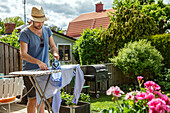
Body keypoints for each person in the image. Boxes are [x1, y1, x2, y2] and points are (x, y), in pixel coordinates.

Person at [18, 6, 59, 113]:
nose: (40, 24)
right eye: (37, 22)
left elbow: (53, 46)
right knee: (33, 99)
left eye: (42, 21)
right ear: (31, 19)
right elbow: (23, 54)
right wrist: (38, 62)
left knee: (42, 98)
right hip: (30, 72)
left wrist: (54, 52)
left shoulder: (47, 30)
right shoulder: (25, 33)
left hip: (44, 71)